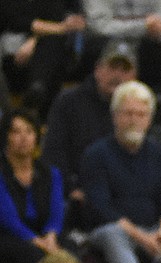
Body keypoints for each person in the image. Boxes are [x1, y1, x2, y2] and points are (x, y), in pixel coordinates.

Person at [80, 80, 161, 263]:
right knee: (113, 233)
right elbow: (102, 209)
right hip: (115, 231)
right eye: (127, 114)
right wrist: (142, 238)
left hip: (156, 229)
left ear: (149, 119)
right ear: (115, 117)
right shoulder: (96, 155)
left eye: (141, 114)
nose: (134, 120)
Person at [41, 39, 136, 229]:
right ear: (98, 69)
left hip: (123, 198)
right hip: (80, 197)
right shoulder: (69, 103)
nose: (118, 75)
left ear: (134, 76)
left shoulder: (138, 108)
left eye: (125, 70)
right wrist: (71, 189)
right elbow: (53, 154)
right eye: (112, 67)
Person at [82, 0, 161, 115]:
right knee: (108, 44)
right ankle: (99, 106)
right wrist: (143, 26)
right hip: (106, 43)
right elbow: (100, 27)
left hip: (145, 46)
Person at [0, 107, 65, 263]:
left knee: (70, 248)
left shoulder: (50, 173)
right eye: (16, 132)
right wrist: (39, 243)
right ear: (5, 137)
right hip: (9, 237)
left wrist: (50, 238)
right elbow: (9, 219)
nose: (23, 138)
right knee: (36, 255)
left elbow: (56, 215)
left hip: (43, 235)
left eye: (29, 131)